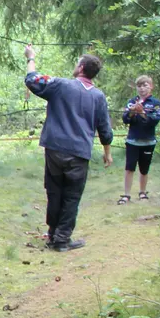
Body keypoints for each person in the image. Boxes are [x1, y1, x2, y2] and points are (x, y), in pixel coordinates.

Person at [24, 45, 114, 252]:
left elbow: (32, 80)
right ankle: (61, 239)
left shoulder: (60, 85)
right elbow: (105, 130)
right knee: (72, 196)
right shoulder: (98, 97)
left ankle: (54, 235)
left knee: (55, 192)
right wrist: (107, 153)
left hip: (55, 150)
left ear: (81, 68)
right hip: (79, 153)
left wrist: (31, 58)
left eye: (77, 63)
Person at [119, 75, 160, 204]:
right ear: (136, 88)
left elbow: (154, 121)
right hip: (132, 140)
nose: (142, 88)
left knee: (144, 169)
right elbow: (125, 119)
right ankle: (126, 195)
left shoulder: (155, 103)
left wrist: (143, 112)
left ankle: (142, 192)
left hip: (148, 141)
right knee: (129, 168)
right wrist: (132, 112)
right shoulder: (131, 101)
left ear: (151, 87)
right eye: (139, 86)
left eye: (145, 85)